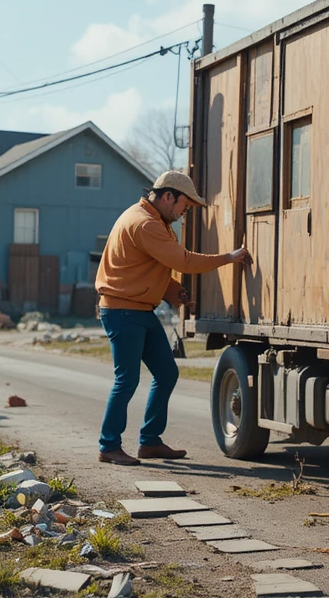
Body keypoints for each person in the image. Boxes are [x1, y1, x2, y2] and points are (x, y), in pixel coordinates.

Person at [95, 169, 251, 465]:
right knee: (126, 380)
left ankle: (150, 441)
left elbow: (144, 266)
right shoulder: (144, 223)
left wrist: (172, 290)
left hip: (138, 309)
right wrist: (229, 258)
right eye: (184, 206)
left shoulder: (155, 220)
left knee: (167, 372)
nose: (184, 213)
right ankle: (109, 446)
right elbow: (183, 260)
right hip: (122, 311)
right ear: (168, 196)